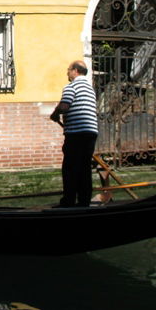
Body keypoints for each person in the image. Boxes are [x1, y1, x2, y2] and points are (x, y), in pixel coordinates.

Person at [50, 60, 99, 207]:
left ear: (75, 71)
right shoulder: (90, 89)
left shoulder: (71, 87)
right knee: (84, 168)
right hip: (90, 133)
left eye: (69, 70)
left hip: (76, 134)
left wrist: (55, 114)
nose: (67, 72)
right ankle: (84, 201)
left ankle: (68, 201)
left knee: (70, 168)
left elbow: (64, 106)